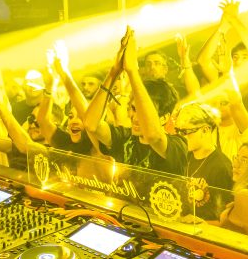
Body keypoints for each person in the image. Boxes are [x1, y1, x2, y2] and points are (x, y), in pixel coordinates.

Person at [83, 27, 187, 176]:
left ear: (164, 118)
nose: (135, 117)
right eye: (133, 108)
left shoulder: (178, 145)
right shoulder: (125, 138)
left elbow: (153, 136)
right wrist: (114, 72)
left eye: (142, 112)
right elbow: (90, 124)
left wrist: (132, 71)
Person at [174, 102, 233, 220]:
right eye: (178, 131)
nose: (181, 136)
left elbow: (224, 219)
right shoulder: (185, 156)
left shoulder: (221, 166)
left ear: (205, 130)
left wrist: (200, 222)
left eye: (185, 132)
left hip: (203, 229)